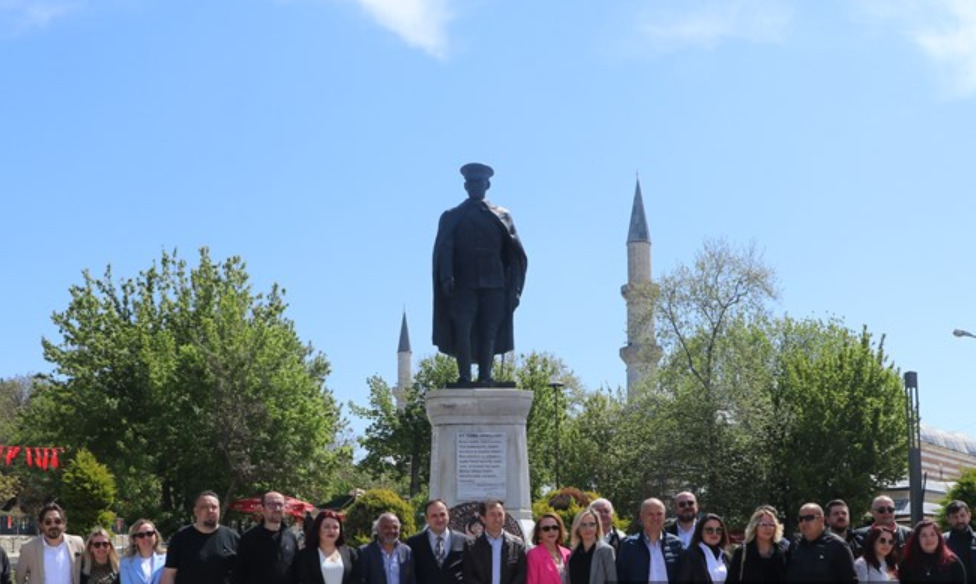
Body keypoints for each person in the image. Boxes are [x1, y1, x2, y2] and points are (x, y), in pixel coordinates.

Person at [432, 162, 528, 385]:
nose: (475, 186)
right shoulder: (452, 216)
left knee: (490, 329)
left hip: (495, 283)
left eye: (479, 182)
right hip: (462, 283)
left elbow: (514, 255)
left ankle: (486, 376)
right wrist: (446, 276)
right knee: (462, 328)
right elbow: (446, 248)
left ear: (487, 184)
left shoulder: (502, 215)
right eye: (471, 182)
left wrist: (514, 290)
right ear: (466, 186)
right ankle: (464, 376)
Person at [161, 490, 240, 584]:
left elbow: (244, 572)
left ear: (219, 510)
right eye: (204, 507)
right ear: (195, 511)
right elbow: (169, 574)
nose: (210, 511)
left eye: (214, 507)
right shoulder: (180, 538)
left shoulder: (233, 537)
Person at [232, 491, 298, 584]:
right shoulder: (248, 538)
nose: (277, 508)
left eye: (280, 504)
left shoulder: (290, 536)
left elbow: (296, 570)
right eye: (271, 504)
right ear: (262, 509)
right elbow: (238, 574)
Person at [615, 498, 683, 584]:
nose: (655, 518)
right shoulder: (628, 545)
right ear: (641, 517)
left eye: (659, 514)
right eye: (650, 514)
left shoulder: (677, 544)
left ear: (665, 517)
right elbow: (621, 577)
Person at [16, 502, 86, 584]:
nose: (53, 525)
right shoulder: (28, 548)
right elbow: (19, 578)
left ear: (63, 523)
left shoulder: (77, 544)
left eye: (57, 521)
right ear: (41, 525)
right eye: (48, 522)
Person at [785, 502, 856, 583]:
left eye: (809, 518)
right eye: (800, 519)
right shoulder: (794, 544)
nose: (804, 523)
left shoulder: (838, 546)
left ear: (822, 520)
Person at [462, 499, 527, 584]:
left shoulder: (517, 545)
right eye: (492, 515)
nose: (497, 519)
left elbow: (521, 575)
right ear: (483, 519)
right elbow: (468, 576)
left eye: (500, 514)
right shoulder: (471, 546)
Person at [406, 499, 470, 584]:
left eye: (442, 514)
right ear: (427, 519)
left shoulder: (465, 541)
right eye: (434, 516)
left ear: (448, 515)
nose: (439, 519)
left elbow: (470, 573)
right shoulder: (413, 543)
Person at [726, 505, 789, 583]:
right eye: (763, 524)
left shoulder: (784, 550)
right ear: (754, 527)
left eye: (771, 524)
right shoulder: (742, 552)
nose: (768, 528)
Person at [295, 510, 360, 584]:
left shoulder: (350, 553)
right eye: (327, 527)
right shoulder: (305, 556)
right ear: (318, 529)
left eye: (335, 527)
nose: (331, 531)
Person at [899, 519, 966, 583]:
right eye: (924, 535)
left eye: (932, 534)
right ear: (917, 540)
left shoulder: (952, 562)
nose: (929, 539)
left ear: (939, 538)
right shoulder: (907, 564)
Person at [359, 512, 416, 584]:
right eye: (386, 527)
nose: (391, 531)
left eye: (395, 527)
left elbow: (411, 580)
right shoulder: (365, 552)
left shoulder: (406, 551)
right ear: (377, 529)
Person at [564, 508, 616, 584]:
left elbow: (612, 580)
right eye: (583, 525)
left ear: (597, 526)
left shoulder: (606, 551)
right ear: (577, 528)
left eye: (591, 524)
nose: (587, 529)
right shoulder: (572, 552)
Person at [676, 513, 729, 583]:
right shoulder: (690, 555)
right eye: (709, 530)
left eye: (718, 530)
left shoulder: (725, 556)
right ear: (700, 532)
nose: (714, 533)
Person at [120, 519, 167, 584]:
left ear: (155, 536)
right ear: (134, 540)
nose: (146, 538)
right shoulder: (126, 563)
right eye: (141, 535)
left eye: (149, 533)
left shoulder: (166, 559)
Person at [527, 513, 570, 584]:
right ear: (539, 533)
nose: (551, 531)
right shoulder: (533, 555)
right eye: (546, 529)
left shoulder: (567, 553)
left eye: (555, 527)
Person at [944, 500, 976, 583]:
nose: (959, 520)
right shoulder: (942, 542)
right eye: (955, 517)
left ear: (969, 516)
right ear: (948, 519)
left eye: (962, 515)